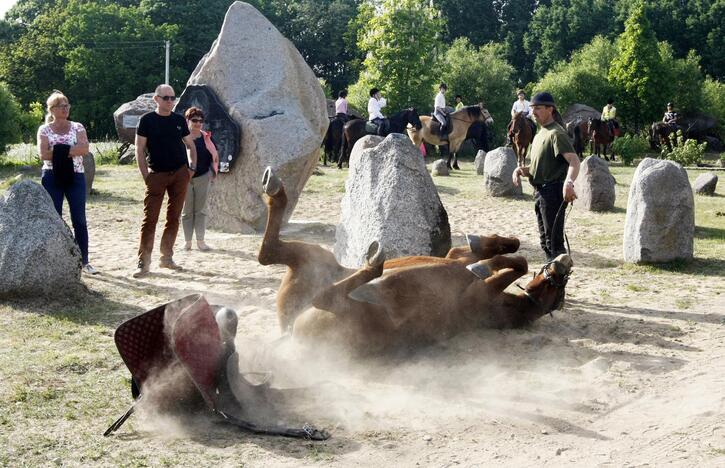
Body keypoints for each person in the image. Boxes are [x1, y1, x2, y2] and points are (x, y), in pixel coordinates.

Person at [133, 84, 197, 278]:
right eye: (166, 98)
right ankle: (144, 262)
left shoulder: (178, 120)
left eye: (173, 98)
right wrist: (146, 176)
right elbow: (139, 149)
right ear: (156, 99)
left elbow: (191, 145)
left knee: (174, 218)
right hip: (156, 175)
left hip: (179, 174)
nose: (170, 101)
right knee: (150, 219)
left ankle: (166, 258)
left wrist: (191, 169)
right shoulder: (146, 120)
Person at [512, 92, 580, 261]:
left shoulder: (557, 133)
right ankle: (552, 281)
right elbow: (538, 167)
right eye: (532, 108)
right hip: (540, 193)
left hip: (553, 192)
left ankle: (559, 284)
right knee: (545, 242)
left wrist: (569, 182)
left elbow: (574, 161)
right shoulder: (539, 134)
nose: (533, 112)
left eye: (538, 108)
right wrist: (522, 170)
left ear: (550, 109)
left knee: (554, 244)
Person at [37, 91, 98, 275]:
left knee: (79, 219)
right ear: (52, 110)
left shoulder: (77, 127)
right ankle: (54, 259)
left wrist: (57, 149)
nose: (65, 108)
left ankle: (84, 260)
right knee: (53, 219)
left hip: (76, 176)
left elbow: (84, 149)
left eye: (67, 105)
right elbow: (43, 155)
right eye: (61, 106)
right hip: (51, 176)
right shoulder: (44, 129)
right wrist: (70, 150)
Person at [182, 107, 218, 252]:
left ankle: (201, 241)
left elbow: (214, 156)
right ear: (188, 121)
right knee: (187, 211)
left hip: (203, 177)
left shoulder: (207, 138)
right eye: (194, 120)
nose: (198, 123)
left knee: (200, 210)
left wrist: (212, 172)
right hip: (184, 179)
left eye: (200, 121)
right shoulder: (182, 137)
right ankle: (187, 241)